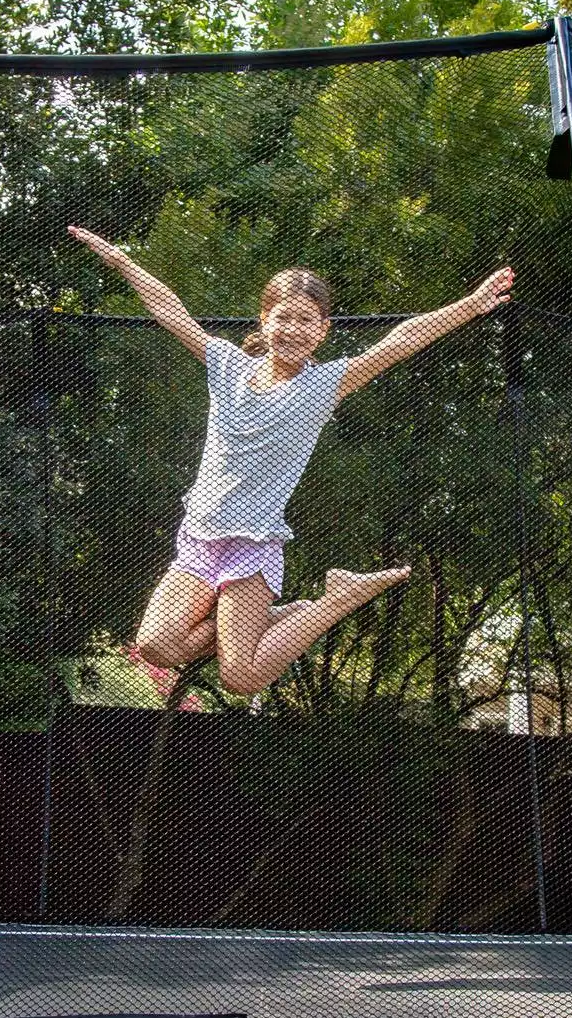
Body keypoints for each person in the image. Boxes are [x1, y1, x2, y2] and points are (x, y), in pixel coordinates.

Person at [69, 226, 514, 699]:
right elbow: (169, 309)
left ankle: (337, 600)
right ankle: (266, 618)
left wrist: (473, 304)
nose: (294, 330)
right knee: (156, 645)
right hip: (199, 538)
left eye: (307, 321)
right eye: (284, 318)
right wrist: (120, 260)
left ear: (322, 331)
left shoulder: (322, 385)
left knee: (240, 679)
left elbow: (398, 344)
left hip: (253, 546)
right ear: (264, 320)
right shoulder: (226, 365)